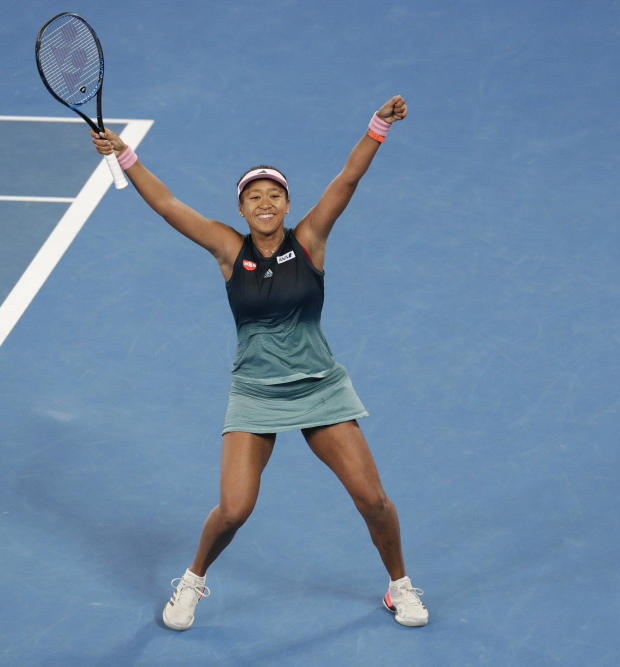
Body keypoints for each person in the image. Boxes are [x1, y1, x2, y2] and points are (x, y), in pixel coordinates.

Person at [91, 95, 428, 630]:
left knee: (374, 499)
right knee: (233, 509)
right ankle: (194, 579)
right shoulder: (229, 249)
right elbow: (169, 206)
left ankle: (400, 585)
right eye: (254, 196)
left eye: (274, 194)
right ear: (242, 210)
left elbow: (346, 181)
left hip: (320, 387)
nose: (265, 203)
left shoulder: (310, 240)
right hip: (255, 392)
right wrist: (127, 156)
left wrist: (378, 126)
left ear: (287, 205)